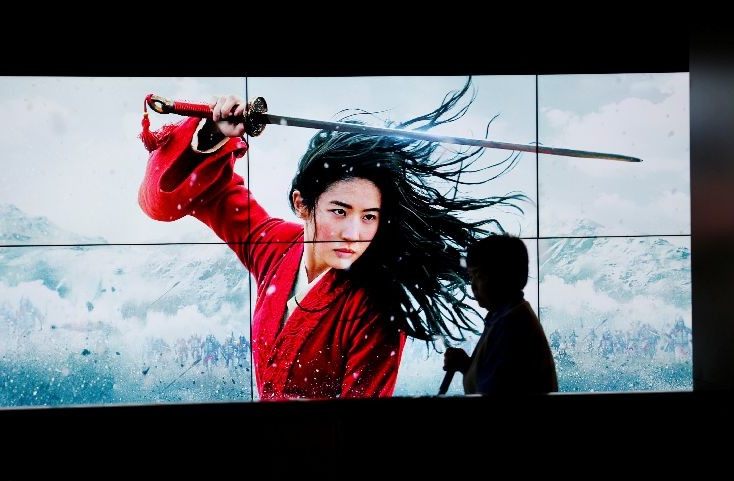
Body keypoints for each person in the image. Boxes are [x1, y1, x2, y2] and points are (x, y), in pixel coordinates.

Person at [138, 78, 525, 400]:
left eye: (369, 217)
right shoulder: (276, 245)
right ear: (302, 205)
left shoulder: (374, 310)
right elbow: (198, 196)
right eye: (340, 211)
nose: (354, 234)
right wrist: (212, 134)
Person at [443, 233, 559, 394]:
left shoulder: (510, 325)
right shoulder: (506, 316)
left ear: (502, 276)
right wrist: (466, 366)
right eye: (471, 276)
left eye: (479, 276)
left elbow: (493, 395)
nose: (473, 286)